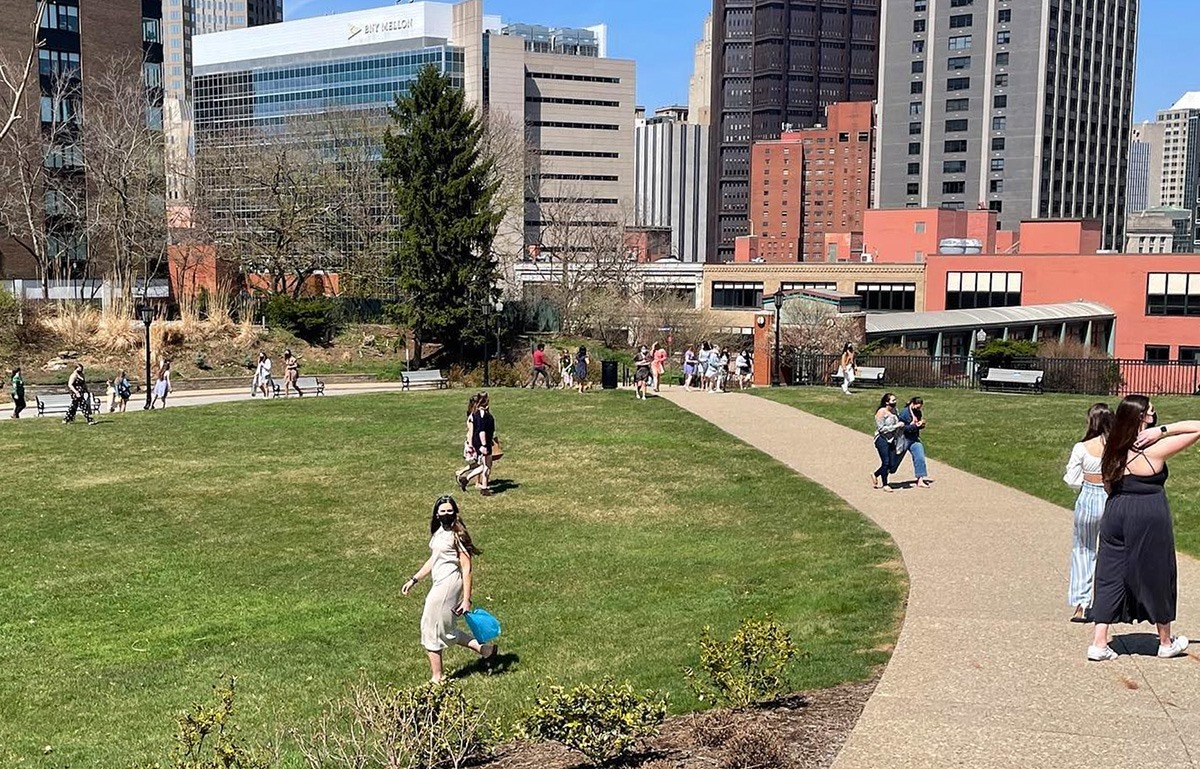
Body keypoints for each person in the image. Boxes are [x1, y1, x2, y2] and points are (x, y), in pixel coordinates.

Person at [1088, 395, 1199, 662]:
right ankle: (1164, 641)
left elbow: (1107, 485)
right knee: (1157, 572)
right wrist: (1160, 431)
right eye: (1150, 412)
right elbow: (1198, 426)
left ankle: (1099, 642)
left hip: (1115, 512)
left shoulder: (1111, 447)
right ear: (1142, 419)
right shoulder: (1154, 450)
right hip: (1148, 512)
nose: (1155, 414)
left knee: (1109, 572)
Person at [400, 496, 498, 683]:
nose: (446, 514)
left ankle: (437, 677)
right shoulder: (438, 532)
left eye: (449, 510)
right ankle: (486, 650)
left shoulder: (457, 535)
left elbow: (466, 567)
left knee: (430, 628)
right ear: (436, 514)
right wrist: (414, 579)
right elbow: (434, 559)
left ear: (455, 512)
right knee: (445, 627)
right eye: (442, 511)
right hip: (439, 583)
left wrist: (466, 599)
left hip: (448, 585)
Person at [1063, 402, 1113, 623]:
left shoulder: (1081, 448)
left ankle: (1082, 604)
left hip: (1088, 498)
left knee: (1083, 551)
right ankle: (1110, 601)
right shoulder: (1117, 446)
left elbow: (1072, 479)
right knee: (1113, 553)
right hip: (1112, 498)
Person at [896, 396, 932, 489]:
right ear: (912, 404)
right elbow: (902, 428)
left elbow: (917, 425)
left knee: (920, 457)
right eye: (917, 407)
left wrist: (921, 425)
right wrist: (915, 426)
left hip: (914, 439)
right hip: (904, 439)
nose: (919, 409)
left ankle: (920, 479)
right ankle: (881, 474)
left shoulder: (918, 412)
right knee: (895, 461)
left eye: (920, 407)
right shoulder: (904, 413)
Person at [871, 393, 903, 492]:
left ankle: (876, 474)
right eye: (893, 400)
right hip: (882, 439)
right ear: (886, 402)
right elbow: (881, 429)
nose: (895, 402)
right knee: (886, 462)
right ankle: (885, 484)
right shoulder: (881, 412)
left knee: (892, 464)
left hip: (892, 439)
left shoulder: (895, 411)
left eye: (895, 400)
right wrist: (895, 426)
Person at [469, 392, 497, 496]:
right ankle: (483, 487)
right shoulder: (481, 414)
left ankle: (467, 479)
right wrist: (484, 445)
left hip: (482, 443)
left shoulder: (477, 413)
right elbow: (482, 430)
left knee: (486, 465)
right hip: (483, 444)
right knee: (486, 466)